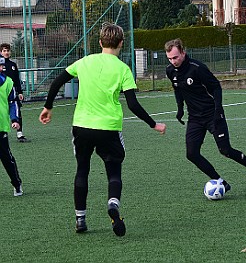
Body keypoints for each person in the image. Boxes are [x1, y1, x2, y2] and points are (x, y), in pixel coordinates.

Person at [39, 22, 166, 236]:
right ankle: (113, 205)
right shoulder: (122, 69)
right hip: (108, 128)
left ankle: (80, 219)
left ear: (100, 43)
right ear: (121, 43)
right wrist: (154, 124)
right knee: (113, 171)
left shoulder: (84, 62)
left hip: (82, 126)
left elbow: (56, 82)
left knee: (82, 170)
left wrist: (48, 107)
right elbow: (133, 104)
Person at [165, 38, 246, 195]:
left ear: (183, 53)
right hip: (195, 118)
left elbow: (216, 87)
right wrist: (180, 109)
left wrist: (218, 110)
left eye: (175, 57)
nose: (173, 61)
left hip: (212, 114)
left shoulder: (197, 68)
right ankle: (220, 182)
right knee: (191, 154)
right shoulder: (170, 71)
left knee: (225, 150)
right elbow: (178, 89)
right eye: (170, 58)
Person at [0, 57, 23, 196]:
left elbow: (12, 103)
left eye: (2, 65)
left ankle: (16, 183)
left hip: (1, 126)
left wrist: (14, 119)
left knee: (7, 158)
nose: (2, 67)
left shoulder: (8, 82)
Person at [0, 43, 29, 143]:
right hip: (2, 94)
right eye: (4, 51)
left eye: (8, 50)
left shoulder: (13, 65)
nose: (6, 52)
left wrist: (20, 92)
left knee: (17, 112)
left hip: (12, 92)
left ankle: (19, 133)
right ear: (1, 52)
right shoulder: (0, 66)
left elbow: (17, 79)